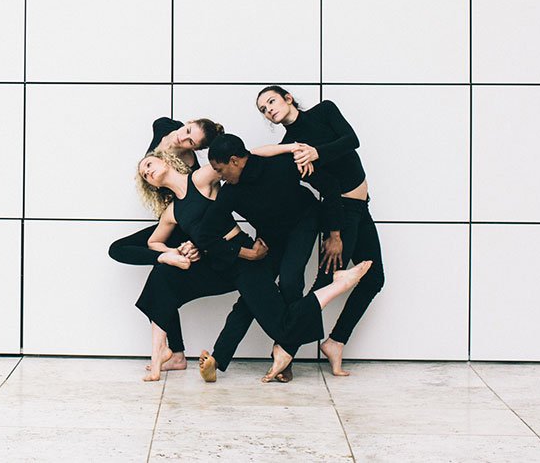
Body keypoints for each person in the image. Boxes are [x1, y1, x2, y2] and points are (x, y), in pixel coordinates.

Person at [134, 150, 371, 382]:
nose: (148, 171)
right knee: (162, 276)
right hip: (216, 264)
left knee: (281, 326)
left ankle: (337, 286)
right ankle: (162, 357)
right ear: (151, 185)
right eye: (145, 174)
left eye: (149, 164)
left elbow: (248, 153)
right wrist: (172, 252)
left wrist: (290, 148)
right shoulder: (172, 212)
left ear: (165, 160)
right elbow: (153, 242)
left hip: (245, 259)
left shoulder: (200, 178)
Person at [257, 86, 384, 376]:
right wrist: (334, 233)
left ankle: (335, 341)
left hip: (361, 209)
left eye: (272, 101)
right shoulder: (292, 149)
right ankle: (284, 348)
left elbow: (351, 141)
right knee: (325, 284)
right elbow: (328, 189)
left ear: (288, 98)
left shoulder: (325, 111)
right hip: (343, 213)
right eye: (263, 109)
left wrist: (317, 152)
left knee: (373, 278)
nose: (269, 110)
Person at [196, 133, 320, 383]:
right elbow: (205, 235)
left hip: (302, 224)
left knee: (290, 281)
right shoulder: (231, 193)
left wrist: (336, 232)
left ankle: (286, 356)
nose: (219, 177)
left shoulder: (281, 166)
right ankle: (218, 359)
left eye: (220, 170)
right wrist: (246, 253)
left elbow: (328, 185)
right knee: (252, 293)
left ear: (235, 161)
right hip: (269, 240)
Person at [107, 117, 223, 372]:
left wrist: (196, 244)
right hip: (167, 223)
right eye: (187, 132)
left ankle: (176, 354)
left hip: (183, 225)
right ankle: (164, 256)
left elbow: (201, 208)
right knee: (118, 249)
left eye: (192, 142)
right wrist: (166, 251)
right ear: (188, 122)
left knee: (162, 280)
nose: (185, 140)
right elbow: (165, 125)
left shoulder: (192, 167)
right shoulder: (164, 129)